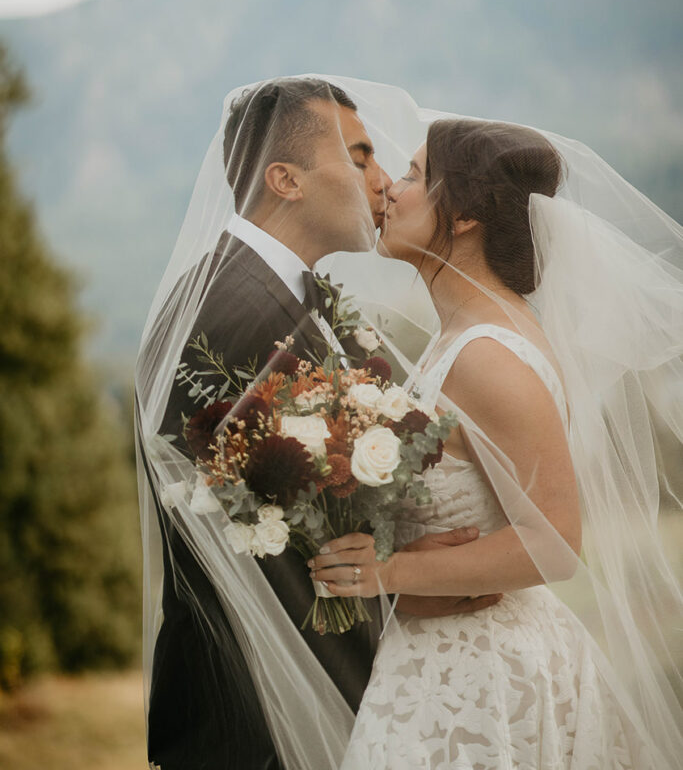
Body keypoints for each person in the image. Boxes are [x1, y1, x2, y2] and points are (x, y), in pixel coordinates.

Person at [136, 79, 500, 770]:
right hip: (252, 716)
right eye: (360, 156)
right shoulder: (227, 311)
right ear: (285, 180)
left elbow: (309, 509)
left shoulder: (278, 293)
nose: (383, 179)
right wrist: (402, 584)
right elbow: (245, 539)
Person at [309, 116, 683, 769]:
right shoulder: (463, 336)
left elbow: (553, 544)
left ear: (464, 217)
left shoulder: (486, 356)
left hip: (476, 677)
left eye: (414, 175)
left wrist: (386, 573)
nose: (389, 191)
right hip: (444, 650)